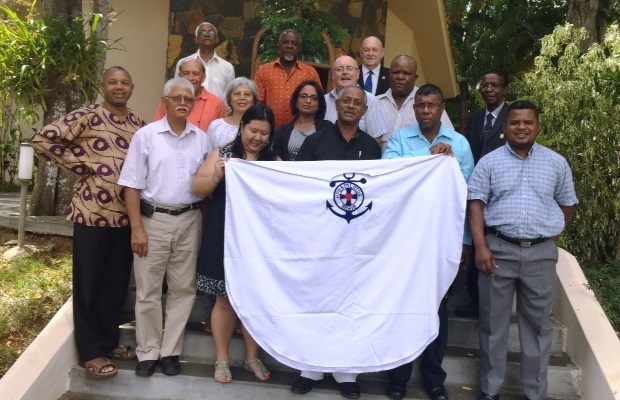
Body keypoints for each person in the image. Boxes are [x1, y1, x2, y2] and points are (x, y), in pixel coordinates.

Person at [30, 66, 145, 379]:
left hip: (125, 217)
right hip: (91, 213)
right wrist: (86, 169)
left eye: (124, 82)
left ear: (132, 88)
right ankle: (91, 352)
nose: (119, 87)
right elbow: (43, 140)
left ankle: (109, 342)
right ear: (102, 86)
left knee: (115, 285)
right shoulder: (88, 115)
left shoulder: (138, 123)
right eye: (113, 82)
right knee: (89, 285)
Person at [467, 101, 577, 400]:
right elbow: (476, 203)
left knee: (539, 330)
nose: (521, 127)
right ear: (505, 128)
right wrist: (481, 246)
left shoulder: (556, 163)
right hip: (497, 252)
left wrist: (549, 236)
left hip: (540, 256)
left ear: (537, 127)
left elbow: (567, 204)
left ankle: (534, 394)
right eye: (515, 122)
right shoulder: (489, 162)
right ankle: (490, 391)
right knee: (493, 328)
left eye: (528, 122)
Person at [383, 84, 474, 400]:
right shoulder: (400, 140)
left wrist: (464, 243)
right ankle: (398, 379)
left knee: (437, 309)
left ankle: (434, 379)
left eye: (431, 105)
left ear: (440, 109)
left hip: (441, 242)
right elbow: (387, 175)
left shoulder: (459, 144)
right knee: (401, 307)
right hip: (404, 240)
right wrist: (427, 155)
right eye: (420, 105)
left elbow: (465, 195)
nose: (425, 110)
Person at [292, 85, 381, 400]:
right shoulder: (314, 142)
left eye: (358, 102)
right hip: (318, 240)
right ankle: (310, 368)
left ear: (364, 110)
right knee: (316, 303)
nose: (351, 106)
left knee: (352, 304)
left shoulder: (372, 148)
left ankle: (347, 372)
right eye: (346, 100)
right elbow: (297, 188)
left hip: (356, 243)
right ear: (336, 105)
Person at [119, 77, 208, 378]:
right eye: (177, 97)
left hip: (189, 220)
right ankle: (148, 352)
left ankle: (170, 351)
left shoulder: (202, 138)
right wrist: (137, 229)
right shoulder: (146, 136)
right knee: (148, 290)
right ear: (165, 101)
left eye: (188, 98)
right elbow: (131, 186)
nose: (183, 102)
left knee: (184, 289)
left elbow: (207, 184)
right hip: (153, 221)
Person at [193, 104, 277, 384]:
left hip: (258, 242)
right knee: (225, 300)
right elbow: (198, 189)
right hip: (224, 237)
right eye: (253, 130)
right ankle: (222, 359)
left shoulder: (274, 163)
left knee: (255, 301)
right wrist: (217, 175)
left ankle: (253, 357)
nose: (258, 138)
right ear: (242, 127)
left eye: (265, 133)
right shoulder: (223, 154)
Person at [455, 70, 510, 319]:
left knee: (494, 244)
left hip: (502, 193)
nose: (489, 89)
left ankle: (493, 304)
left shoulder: (513, 117)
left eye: (495, 85)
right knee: (477, 241)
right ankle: (475, 300)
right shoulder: (476, 118)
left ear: (504, 90)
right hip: (476, 191)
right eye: (485, 85)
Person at [376, 55, 454, 153]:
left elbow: (448, 137)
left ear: (415, 77)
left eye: (406, 73)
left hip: (420, 166)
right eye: (396, 72)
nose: (400, 77)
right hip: (384, 165)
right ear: (389, 74)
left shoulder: (429, 103)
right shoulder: (376, 104)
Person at [254, 29, 322, 128]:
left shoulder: (310, 73)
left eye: (294, 43)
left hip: (301, 131)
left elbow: (318, 102)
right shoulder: (264, 71)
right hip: (270, 131)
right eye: (285, 42)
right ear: (279, 46)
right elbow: (257, 104)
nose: (289, 46)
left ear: (299, 48)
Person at [324, 55, 389, 141]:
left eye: (350, 68)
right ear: (333, 75)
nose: (345, 72)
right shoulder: (324, 100)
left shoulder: (371, 100)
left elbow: (375, 140)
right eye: (339, 69)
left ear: (358, 74)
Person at [156, 59, 228, 132]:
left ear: (203, 77)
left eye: (195, 74)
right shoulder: (169, 101)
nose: (190, 78)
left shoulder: (217, 104)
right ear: (179, 76)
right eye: (186, 73)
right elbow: (156, 130)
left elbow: (222, 136)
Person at [273, 80, 333, 161]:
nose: (308, 101)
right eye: (304, 96)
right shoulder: (282, 132)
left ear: (319, 104)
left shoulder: (328, 128)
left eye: (314, 98)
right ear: (296, 102)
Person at [174, 22, 235, 100]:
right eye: (202, 32)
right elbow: (176, 90)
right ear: (196, 39)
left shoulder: (227, 67)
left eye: (211, 32)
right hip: (190, 111)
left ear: (216, 39)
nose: (207, 35)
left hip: (217, 111)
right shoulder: (183, 63)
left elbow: (230, 97)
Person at [205, 77, 259, 153]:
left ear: (254, 100)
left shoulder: (260, 127)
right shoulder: (216, 126)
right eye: (237, 94)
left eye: (247, 94)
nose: (242, 97)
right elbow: (208, 157)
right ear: (230, 100)